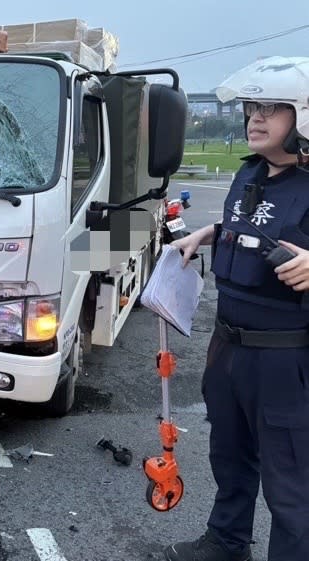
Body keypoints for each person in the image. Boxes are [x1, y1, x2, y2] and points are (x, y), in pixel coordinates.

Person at [164, 56, 309, 561]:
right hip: (227, 347)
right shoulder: (248, 173)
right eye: (252, 106)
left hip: (283, 359)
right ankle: (227, 543)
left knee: (290, 486)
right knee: (230, 456)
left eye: (272, 107)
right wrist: (211, 232)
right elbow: (249, 231)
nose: (255, 117)